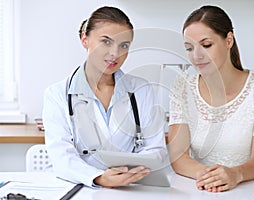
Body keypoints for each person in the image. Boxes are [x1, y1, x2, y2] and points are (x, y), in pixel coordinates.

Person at [42, 6, 167, 188]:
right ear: (85, 39)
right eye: (106, 42)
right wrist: (99, 177)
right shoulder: (57, 94)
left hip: (129, 189)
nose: (115, 53)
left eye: (123, 45)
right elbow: (62, 156)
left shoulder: (141, 90)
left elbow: (155, 149)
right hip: (77, 188)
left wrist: (132, 173)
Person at [168, 5, 254, 192]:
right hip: (200, 190)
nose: (196, 56)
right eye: (189, 48)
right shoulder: (182, 86)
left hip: (248, 190)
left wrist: (235, 174)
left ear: (228, 41)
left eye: (206, 45)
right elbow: (178, 157)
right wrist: (213, 176)